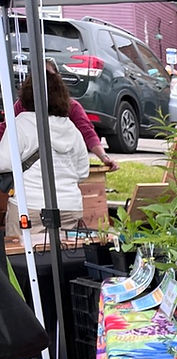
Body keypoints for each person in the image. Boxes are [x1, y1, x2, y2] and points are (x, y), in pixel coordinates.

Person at [0, 66, 90, 237]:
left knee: (24, 260)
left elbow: (3, 162)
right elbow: (83, 172)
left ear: (27, 95)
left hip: (30, 206)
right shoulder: (71, 128)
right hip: (70, 207)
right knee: (64, 259)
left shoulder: (22, 123)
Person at [0, 60, 118, 172]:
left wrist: (104, 157)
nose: (45, 82)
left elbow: (88, 133)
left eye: (49, 77)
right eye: (40, 75)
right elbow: (6, 129)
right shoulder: (20, 108)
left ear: (57, 79)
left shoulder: (73, 108)